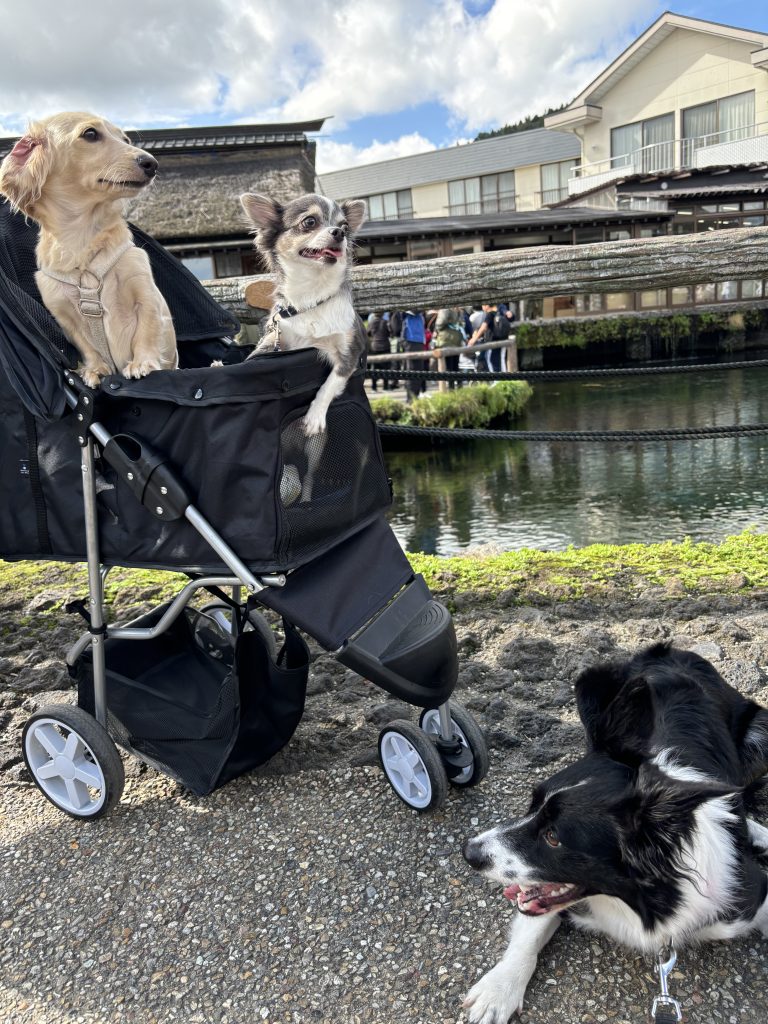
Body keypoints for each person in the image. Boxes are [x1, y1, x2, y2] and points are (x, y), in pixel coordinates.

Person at [470, 301, 513, 373]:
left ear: (487, 305)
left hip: (492, 341)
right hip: (503, 339)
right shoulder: (501, 312)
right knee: (501, 359)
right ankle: (504, 377)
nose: (482, 307)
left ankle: (495, 379)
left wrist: (474, 339)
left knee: (490, 359)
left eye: (483, 305)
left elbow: (484, 327)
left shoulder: (490, 314)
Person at [395, 309, 427, 401]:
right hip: (411, 341)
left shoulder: (419, 313)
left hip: (419, 341)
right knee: (412, 371)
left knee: (418, 371)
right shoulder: (406, 313)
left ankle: (414, 397)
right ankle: (410, 399)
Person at [432, 307, 465, 388]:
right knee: (455, 365)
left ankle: (451, 387)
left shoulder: (445, 309)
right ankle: (459, 386)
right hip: (456, 339)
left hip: (446, 340)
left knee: (449, 366)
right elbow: (463, 324)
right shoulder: (459, 311)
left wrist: (437, 326)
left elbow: (440, 324)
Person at [366, 311, 393, 392]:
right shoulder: (385, 322)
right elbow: (390, 333)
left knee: (374, 368)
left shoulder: (371, 322)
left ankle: (374, 387)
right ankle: (385, 387)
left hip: (375, 346)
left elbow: (367, 333)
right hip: (385, 346)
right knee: (386, 368)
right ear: (382, 314)